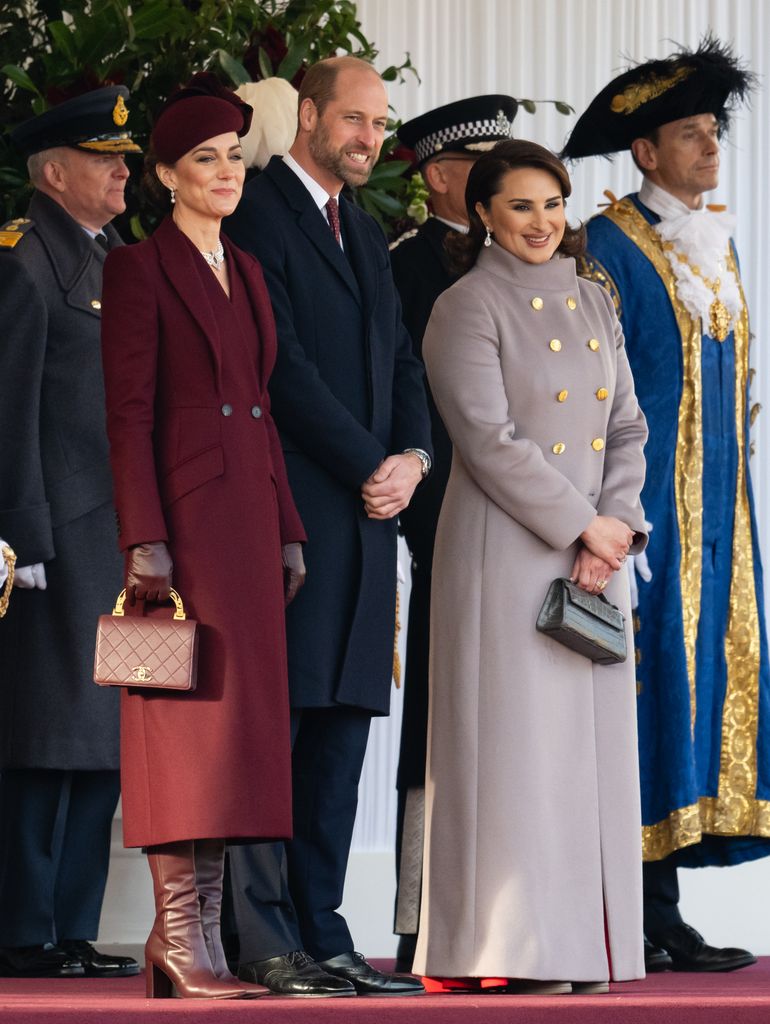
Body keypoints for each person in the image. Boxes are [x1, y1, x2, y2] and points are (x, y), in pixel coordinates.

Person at [414, 139, 648, 993]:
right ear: (482, 212)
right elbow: (487, 440)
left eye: (554, 205)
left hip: (595, 551)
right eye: (521, 206)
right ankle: (506, 948)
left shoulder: (595, 300)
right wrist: (583, 524)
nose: (542, 223)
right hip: (507, 553)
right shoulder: (464, 307)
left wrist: (618, 522)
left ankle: (587, 947)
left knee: (584, 757)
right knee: (513, 755)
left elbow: (628, 427)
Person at [223, 56, 431, 998]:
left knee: (342, 730)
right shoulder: (257, 213)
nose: (369, 139)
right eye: (354, 120)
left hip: (368, 517)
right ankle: (264, 940)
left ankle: (324, 930)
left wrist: (414, 458)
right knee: (282, 729)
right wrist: (367, 463)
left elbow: (400, 361)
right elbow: (282, 368)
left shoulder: (366, 224)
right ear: (306, 114)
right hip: (294, 513)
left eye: (380, 125)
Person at [562, 36, 768, 973]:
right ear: (644, 152)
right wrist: (613, 519)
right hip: (645, 523)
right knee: (641, 696)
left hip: (721, 520)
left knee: (698, 692)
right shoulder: (606, 247)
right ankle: (638, 906)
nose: (709, 148)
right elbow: (595, 394)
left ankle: (668, 903)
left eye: (712, 132)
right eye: (689, 135)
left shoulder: (713, 241)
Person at [99, 74, 307, 1000]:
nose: (225, 173)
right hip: (182, 532)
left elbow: (262, 411)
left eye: (232, 157)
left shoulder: (251, 270)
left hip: (251, 525)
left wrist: (291, 529)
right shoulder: (136, 269)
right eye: (203, 161)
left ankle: (197, 945)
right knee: (185, 730)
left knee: (240, 738)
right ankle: (180, 941)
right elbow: (127, 415)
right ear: (165, 176)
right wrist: (144, 538)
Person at [0, 87, 141, 981]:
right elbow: (7, 407)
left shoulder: (113, 254)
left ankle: (73, 926)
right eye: (108, 158)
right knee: (45, 740)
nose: (126, 170)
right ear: (56, 173)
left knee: (105, 738)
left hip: (124, 540)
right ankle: (23, 926)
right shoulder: (23, 263)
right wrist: (23, 536)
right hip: (57, 535)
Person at [390, 94, 519, 971]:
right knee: (442, 722)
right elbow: (407, 401)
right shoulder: (403, 266)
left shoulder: (540, 259)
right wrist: (424, 514)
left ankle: (523, 912)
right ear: (440, 176)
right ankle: (425, 917)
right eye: (483, 167)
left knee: (526, 718)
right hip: (447, 519)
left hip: (532, 526)